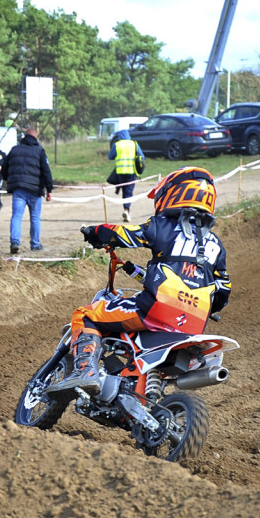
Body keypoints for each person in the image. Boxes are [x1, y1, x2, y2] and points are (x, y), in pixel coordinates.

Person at [47, 166, 231, 401]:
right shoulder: (216, 244)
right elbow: (224, 289)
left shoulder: (163, 226)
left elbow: (127, 233)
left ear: (174, 193)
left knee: (85, 315)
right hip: (194, 323)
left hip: (156, 310)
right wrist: (212, 309)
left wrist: (97, 232)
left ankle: (86, 371)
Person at [2, 128, 53, 255]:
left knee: (16, 217)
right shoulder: (39, 151)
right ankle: (35, 244)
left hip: (18, 189)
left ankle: (15, 242)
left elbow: (4, 168)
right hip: (35, 190)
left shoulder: (14, 149)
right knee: (35, 218)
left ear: (24, 137)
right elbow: (46, 171)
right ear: (36, 137)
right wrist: (49, 189)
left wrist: (8, 179)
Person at [108, 129, 145, 223]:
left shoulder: (117, 145)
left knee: (124, 192)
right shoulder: (134, 144)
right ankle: (126, 210)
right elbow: (142, 156)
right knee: (128, 192)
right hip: (132, 172)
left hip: (120, 172)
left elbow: (110, 156)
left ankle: (126, 210)